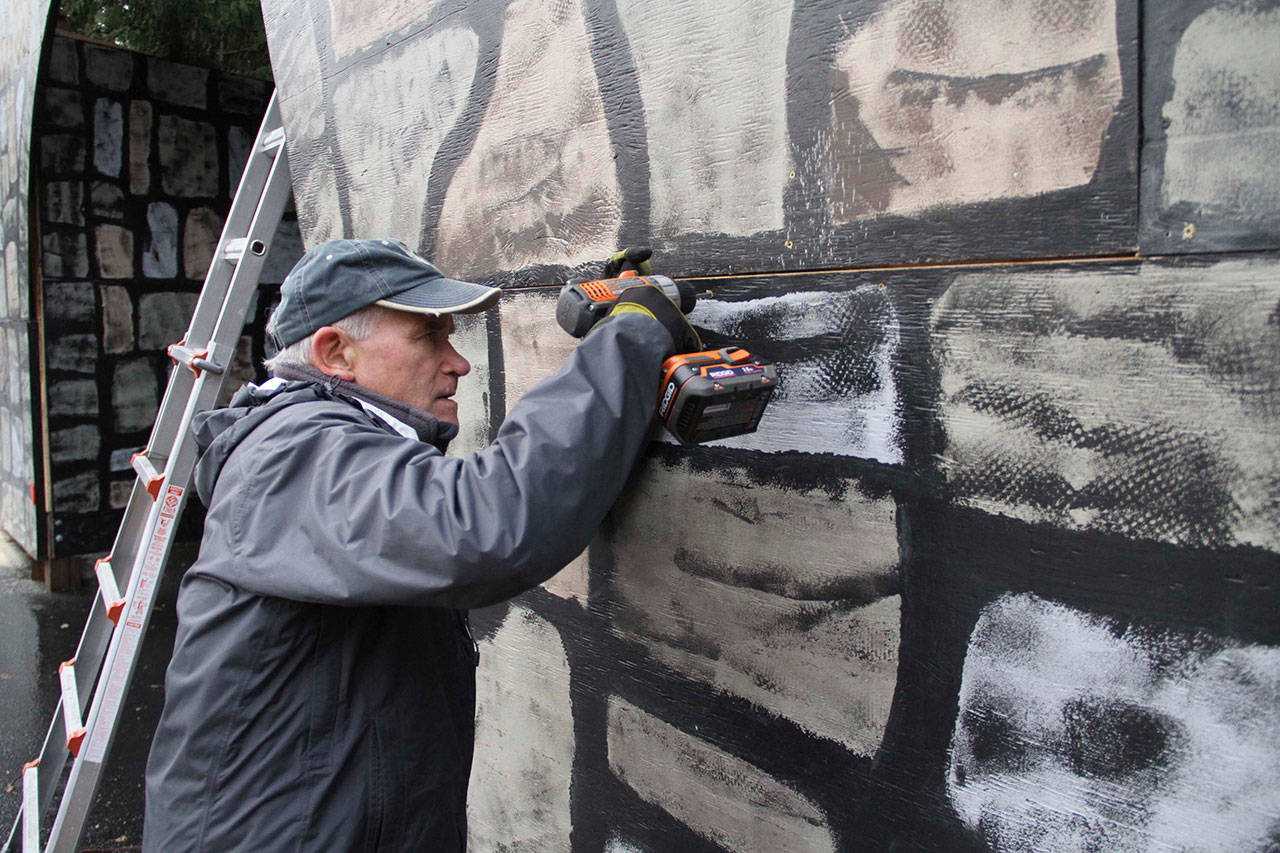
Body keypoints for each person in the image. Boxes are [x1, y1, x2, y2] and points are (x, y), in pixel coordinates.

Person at [142, 238, 699, 851]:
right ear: (336, 352)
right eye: (429, 337)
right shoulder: (294, 458)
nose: (458, 362)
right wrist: (631, 339)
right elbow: (489, 525)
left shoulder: (314, 447)